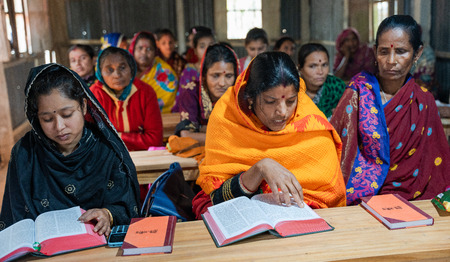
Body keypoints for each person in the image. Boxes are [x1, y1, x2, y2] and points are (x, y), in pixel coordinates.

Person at [192, 52, 346, 219]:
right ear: (250, 97)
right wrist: (260, 168)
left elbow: (331, 198)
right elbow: (215, 200)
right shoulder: (227, 119)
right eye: (271, 102)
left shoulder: (313, 128)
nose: (282, 112)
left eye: (290, 101)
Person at [0, 64, 140, 236]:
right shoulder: (25, 154)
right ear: (36, 118)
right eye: (47, 119)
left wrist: (107, 214)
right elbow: (15, 217)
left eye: (67, 115)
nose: (59, 127)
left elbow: (126, 206)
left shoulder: (106, 149)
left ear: (83, 106)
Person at [330, 15, 450, 205]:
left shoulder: (423, 100)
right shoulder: (358, 92)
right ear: (375, 52)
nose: (391, 60)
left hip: (413, 198)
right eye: (384, 52)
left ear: (417, 53)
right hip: (357, 199)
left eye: (401, 51)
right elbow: (336, 148)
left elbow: (435, 161)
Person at [90, 46, 163, 151]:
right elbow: (92, 140)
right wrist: (136, 139)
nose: (117, 75)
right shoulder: (93, 95)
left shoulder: (146, 92)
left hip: (143, 157)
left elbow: (155, 140)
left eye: (122, 67)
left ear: (131, 69)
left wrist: (116, 137)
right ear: (100, 73)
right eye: (109, 69)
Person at [175, 44, 239, 145]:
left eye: (229, 76)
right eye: (215, 76)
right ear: (204, 75)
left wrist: (202, 130)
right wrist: (229, 138)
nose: (222, 83)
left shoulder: (240, 95)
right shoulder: (191, 92)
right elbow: (186, 135)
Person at [128, 31, 179, 113]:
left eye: (149, 49)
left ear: (155, 52)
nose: (144, 52)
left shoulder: (165, 72)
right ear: (133, 49)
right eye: (140, 48)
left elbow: (166, 100)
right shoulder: (125, 69)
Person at [298, 43, 346, 118]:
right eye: (313, 66)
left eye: (324, 65)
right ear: (300, 68)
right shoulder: (293, 89)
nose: (320, 72)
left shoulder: (337, 87)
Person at [174, 27, 215, 112]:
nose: (207, 49)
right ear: (195, 50)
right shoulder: (189, 71)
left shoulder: (222, 69)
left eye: (211, 45)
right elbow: (182, 98)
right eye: (202, 46)